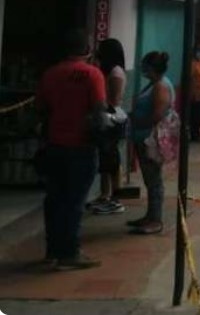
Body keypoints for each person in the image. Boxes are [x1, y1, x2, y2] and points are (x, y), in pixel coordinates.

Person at [36, 29, 107, 270]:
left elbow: (41, 108)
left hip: (54, 144)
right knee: (75, 201)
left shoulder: (50, 74)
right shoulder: (92, 74)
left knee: (54, 199)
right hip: (81, 146)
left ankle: (52, 251)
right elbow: (99, 110)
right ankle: (70, 252)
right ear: (86, 50)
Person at [128, 51, 174, 235]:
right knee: (150, 179)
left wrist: (137, 122)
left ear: (152, 69)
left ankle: (156, 220)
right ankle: (150, 215)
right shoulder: (154, 84)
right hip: (143, 137)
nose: (143, 70)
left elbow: (157, 114)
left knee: (154, 179)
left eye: (145, 67)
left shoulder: (160, 87)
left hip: (151, 140)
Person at [89, 38, 128, 215]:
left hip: (112, 119)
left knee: (112, 160)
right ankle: (105, 194)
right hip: (104, 117)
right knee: (105, 160)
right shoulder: (104, 70)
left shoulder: (116, 72)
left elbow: (114, 99)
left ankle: (116, 198)